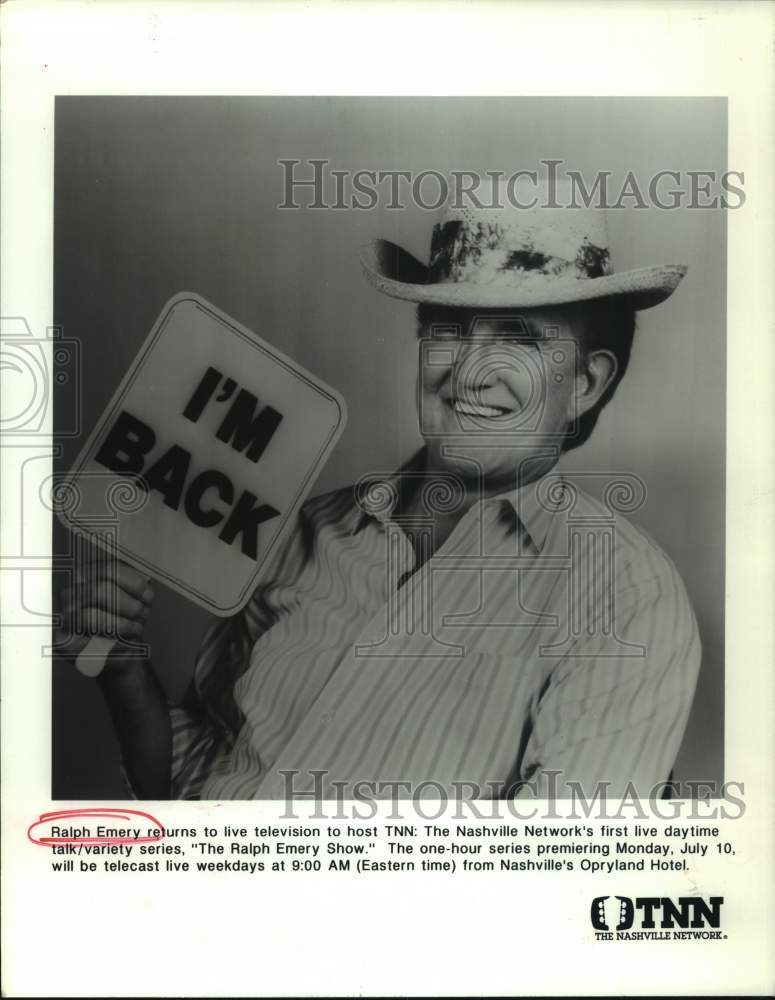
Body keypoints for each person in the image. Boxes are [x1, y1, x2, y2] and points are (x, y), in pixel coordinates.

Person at [58, 182, 701, 802]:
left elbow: (552, 876)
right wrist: (123, 671)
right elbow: (202, 784)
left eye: (517, 339)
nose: (468, 372)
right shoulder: (305, 532)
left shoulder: (625, 597)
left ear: (585, 384)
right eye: (448, 327)